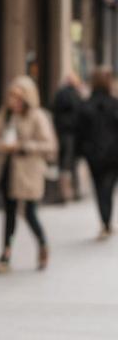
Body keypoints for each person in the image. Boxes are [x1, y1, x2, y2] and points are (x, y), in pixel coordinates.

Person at [0, 76, 57, 273]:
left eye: (18, 97)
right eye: (11, 97)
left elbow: (49, 145)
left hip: (28, 172)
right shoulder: (5, 115)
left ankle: (43, 244)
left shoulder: (37, 116)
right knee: (9, 214)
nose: (13, 101)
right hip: (7, 170)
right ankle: (5, 255)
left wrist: (23, 146)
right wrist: (1, 145)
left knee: (29, 212)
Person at [75, 66, 118, 238]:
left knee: (99, 188)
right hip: (114, 154)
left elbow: (80, 132)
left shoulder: (86, 105)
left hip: (94, 154)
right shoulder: (114, 104)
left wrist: (82, 151)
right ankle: (107, 222)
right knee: (108, 188)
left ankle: (105, 222)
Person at [52, 72, 84, 202]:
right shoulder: (71, 95)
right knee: (68, 162)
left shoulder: (64, 94)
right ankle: (67, 192)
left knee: (67, 162)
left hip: (67, 132)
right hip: (69, 133)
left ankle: (69, 191)